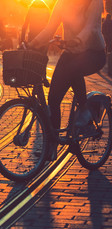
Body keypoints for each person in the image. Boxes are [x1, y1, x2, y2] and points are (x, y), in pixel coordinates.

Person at [29, 0, 106, 159]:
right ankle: (51, 147)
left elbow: (90, 28)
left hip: (93, 53)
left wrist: (76, 40)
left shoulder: (94, 2)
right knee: (53, 99)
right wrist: (31, 44)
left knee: (74, 68)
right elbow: (50, 28)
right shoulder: (62, 3)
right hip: (71, 53)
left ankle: (85, 112)